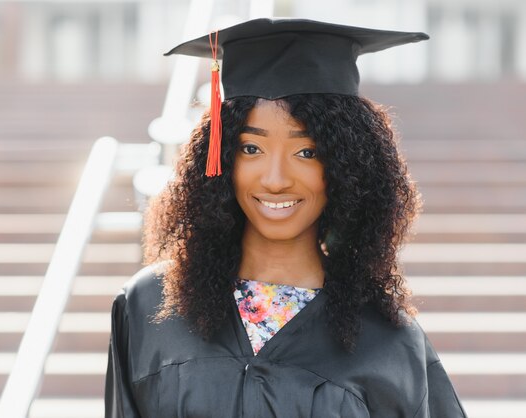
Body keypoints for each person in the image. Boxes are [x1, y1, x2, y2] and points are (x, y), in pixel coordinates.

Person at [105, 18, 468, 418]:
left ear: (346, 167)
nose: (275, 180)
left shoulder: (387, 341)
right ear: (221, 159)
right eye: (251, 149)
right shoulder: (148, 306)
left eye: (307, 152)